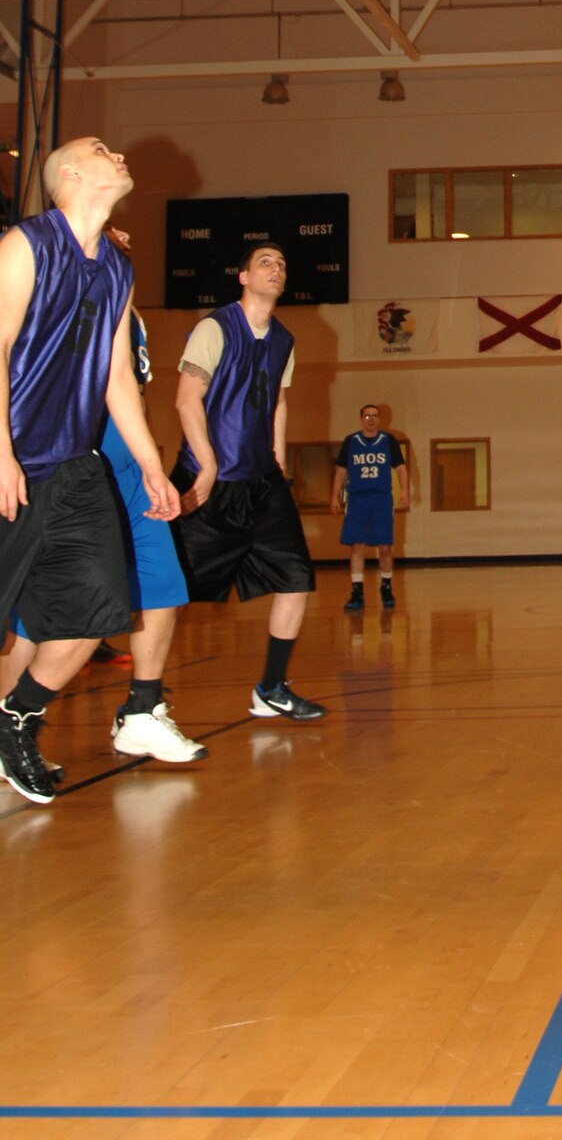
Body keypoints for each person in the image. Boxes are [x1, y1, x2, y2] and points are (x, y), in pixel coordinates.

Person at [0, 138, 178, 805]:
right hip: (13, 459)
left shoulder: (117, 268)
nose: (120, 155)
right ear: (70, 174)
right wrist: (2, 452)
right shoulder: (25, 246)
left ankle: (15, 720)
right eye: (103, 149)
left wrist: (152, 466)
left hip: (75, 467)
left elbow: (116, 376)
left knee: (94, 609)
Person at [1, 292, 205, 766]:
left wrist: (150, 464)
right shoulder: (47, 291)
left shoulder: (129, 311)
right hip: (69, 470)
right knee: (34, 621)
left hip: (129, 470)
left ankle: (141, 711)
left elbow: (129, 389)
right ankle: (11, 730)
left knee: (163, 585)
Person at [173, 242, 325, 723]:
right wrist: (207, 465)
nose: (276, 269)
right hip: (207, 482)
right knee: (168, 593)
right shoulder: (215, 327)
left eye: (282, 263)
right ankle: (141, 701)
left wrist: (278, 461)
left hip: (261, 482)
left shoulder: (284, 340)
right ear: (242, 277)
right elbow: (186, 400)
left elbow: (277, 402)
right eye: (265, 262)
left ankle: (272, 688)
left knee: (296, 578)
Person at [336, 403, 405, 611]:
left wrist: (405, 491)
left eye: (374, 416)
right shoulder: (350, 441)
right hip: (357, 498)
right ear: (361, 419)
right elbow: (341, 471)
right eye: (367, 416)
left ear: (380, 419)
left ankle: (386, 587)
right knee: (357, 545)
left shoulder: (388, 441)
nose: (371, 419)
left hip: (381, 498)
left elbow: (401, 469)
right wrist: (334, 496)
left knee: (385, 546)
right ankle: (357, 591)